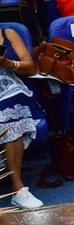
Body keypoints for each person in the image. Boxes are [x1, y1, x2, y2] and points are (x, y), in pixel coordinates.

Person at [0, 25, 46, 209]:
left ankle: (18, 190)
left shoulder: (8, 33)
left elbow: (29, 66)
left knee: (11, 109)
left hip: (9, 88)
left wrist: (8, 64)